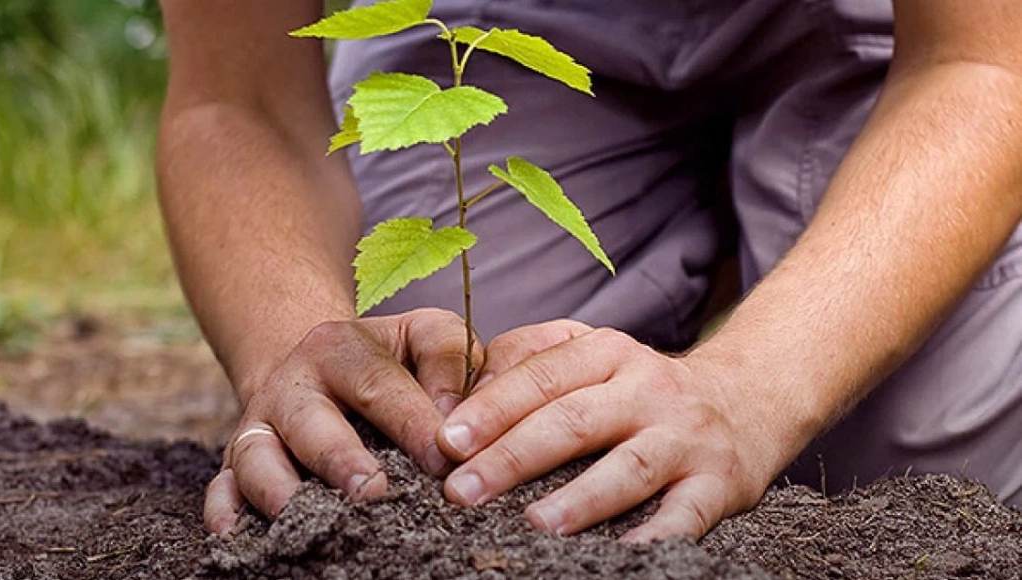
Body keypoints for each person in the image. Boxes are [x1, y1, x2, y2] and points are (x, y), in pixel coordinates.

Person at [156, 0, 1022, 541]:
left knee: (922, 456)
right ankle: (700, 230)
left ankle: (747, 243)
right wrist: (292, 349)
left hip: (879, 29)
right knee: (440, 402)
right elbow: (237, 97)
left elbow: (982, 62)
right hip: (520, 19)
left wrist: (751, 389)